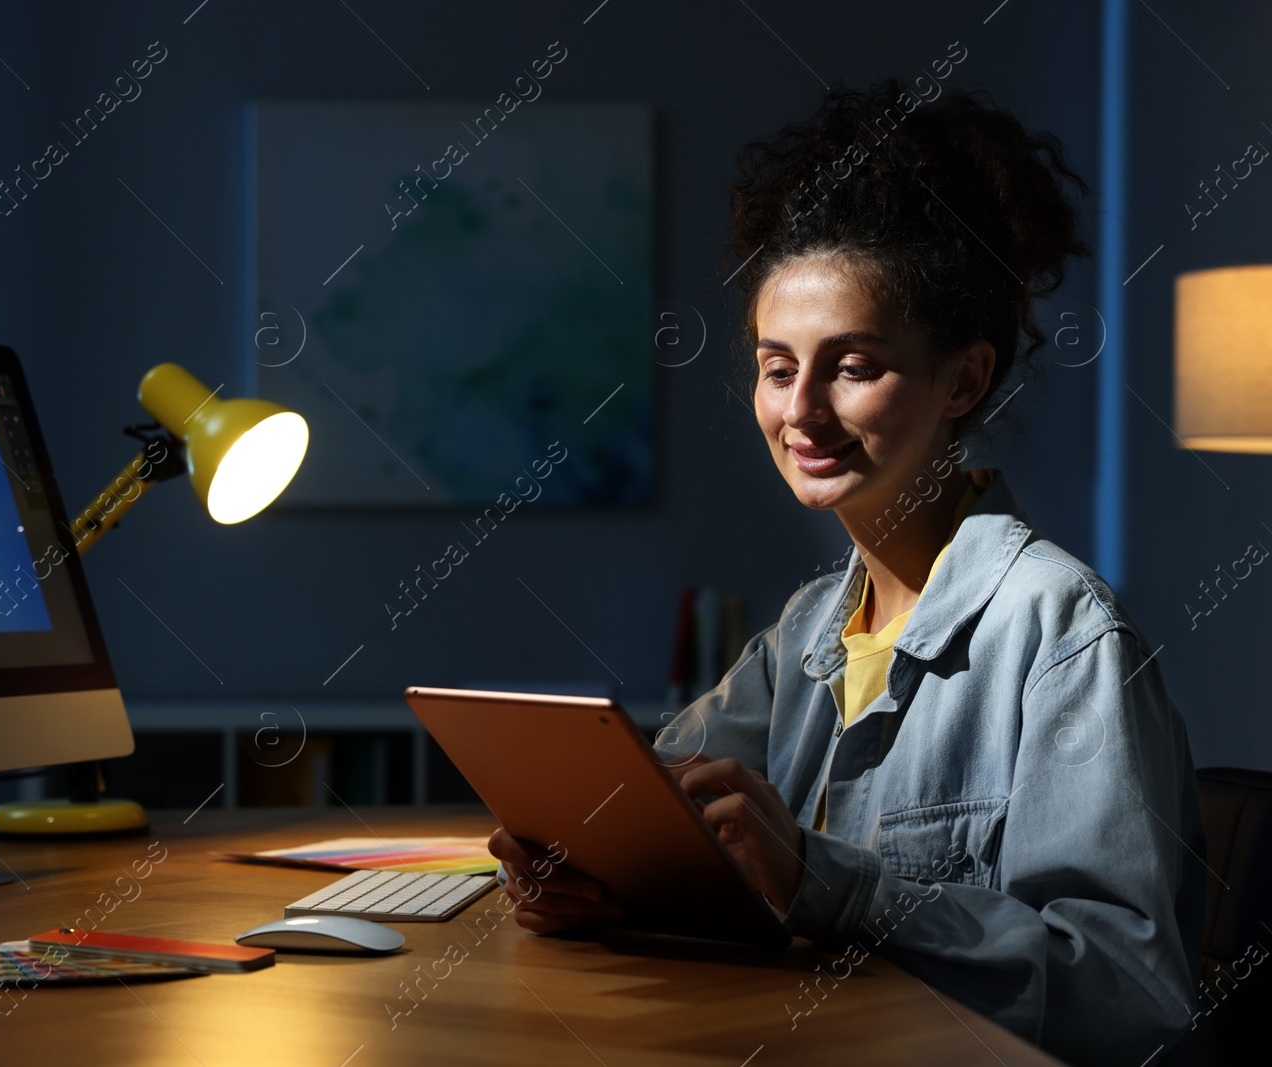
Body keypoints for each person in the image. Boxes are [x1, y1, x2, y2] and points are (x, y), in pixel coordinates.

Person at [488, 79, 1206, 1066]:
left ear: (963, 377)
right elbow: (659, 813)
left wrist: (835, 886)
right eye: (777, 366)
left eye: (853, 365)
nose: (801, 411)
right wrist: (589, 871)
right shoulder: (809, 628)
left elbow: (1126, 996)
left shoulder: (1062, 632)